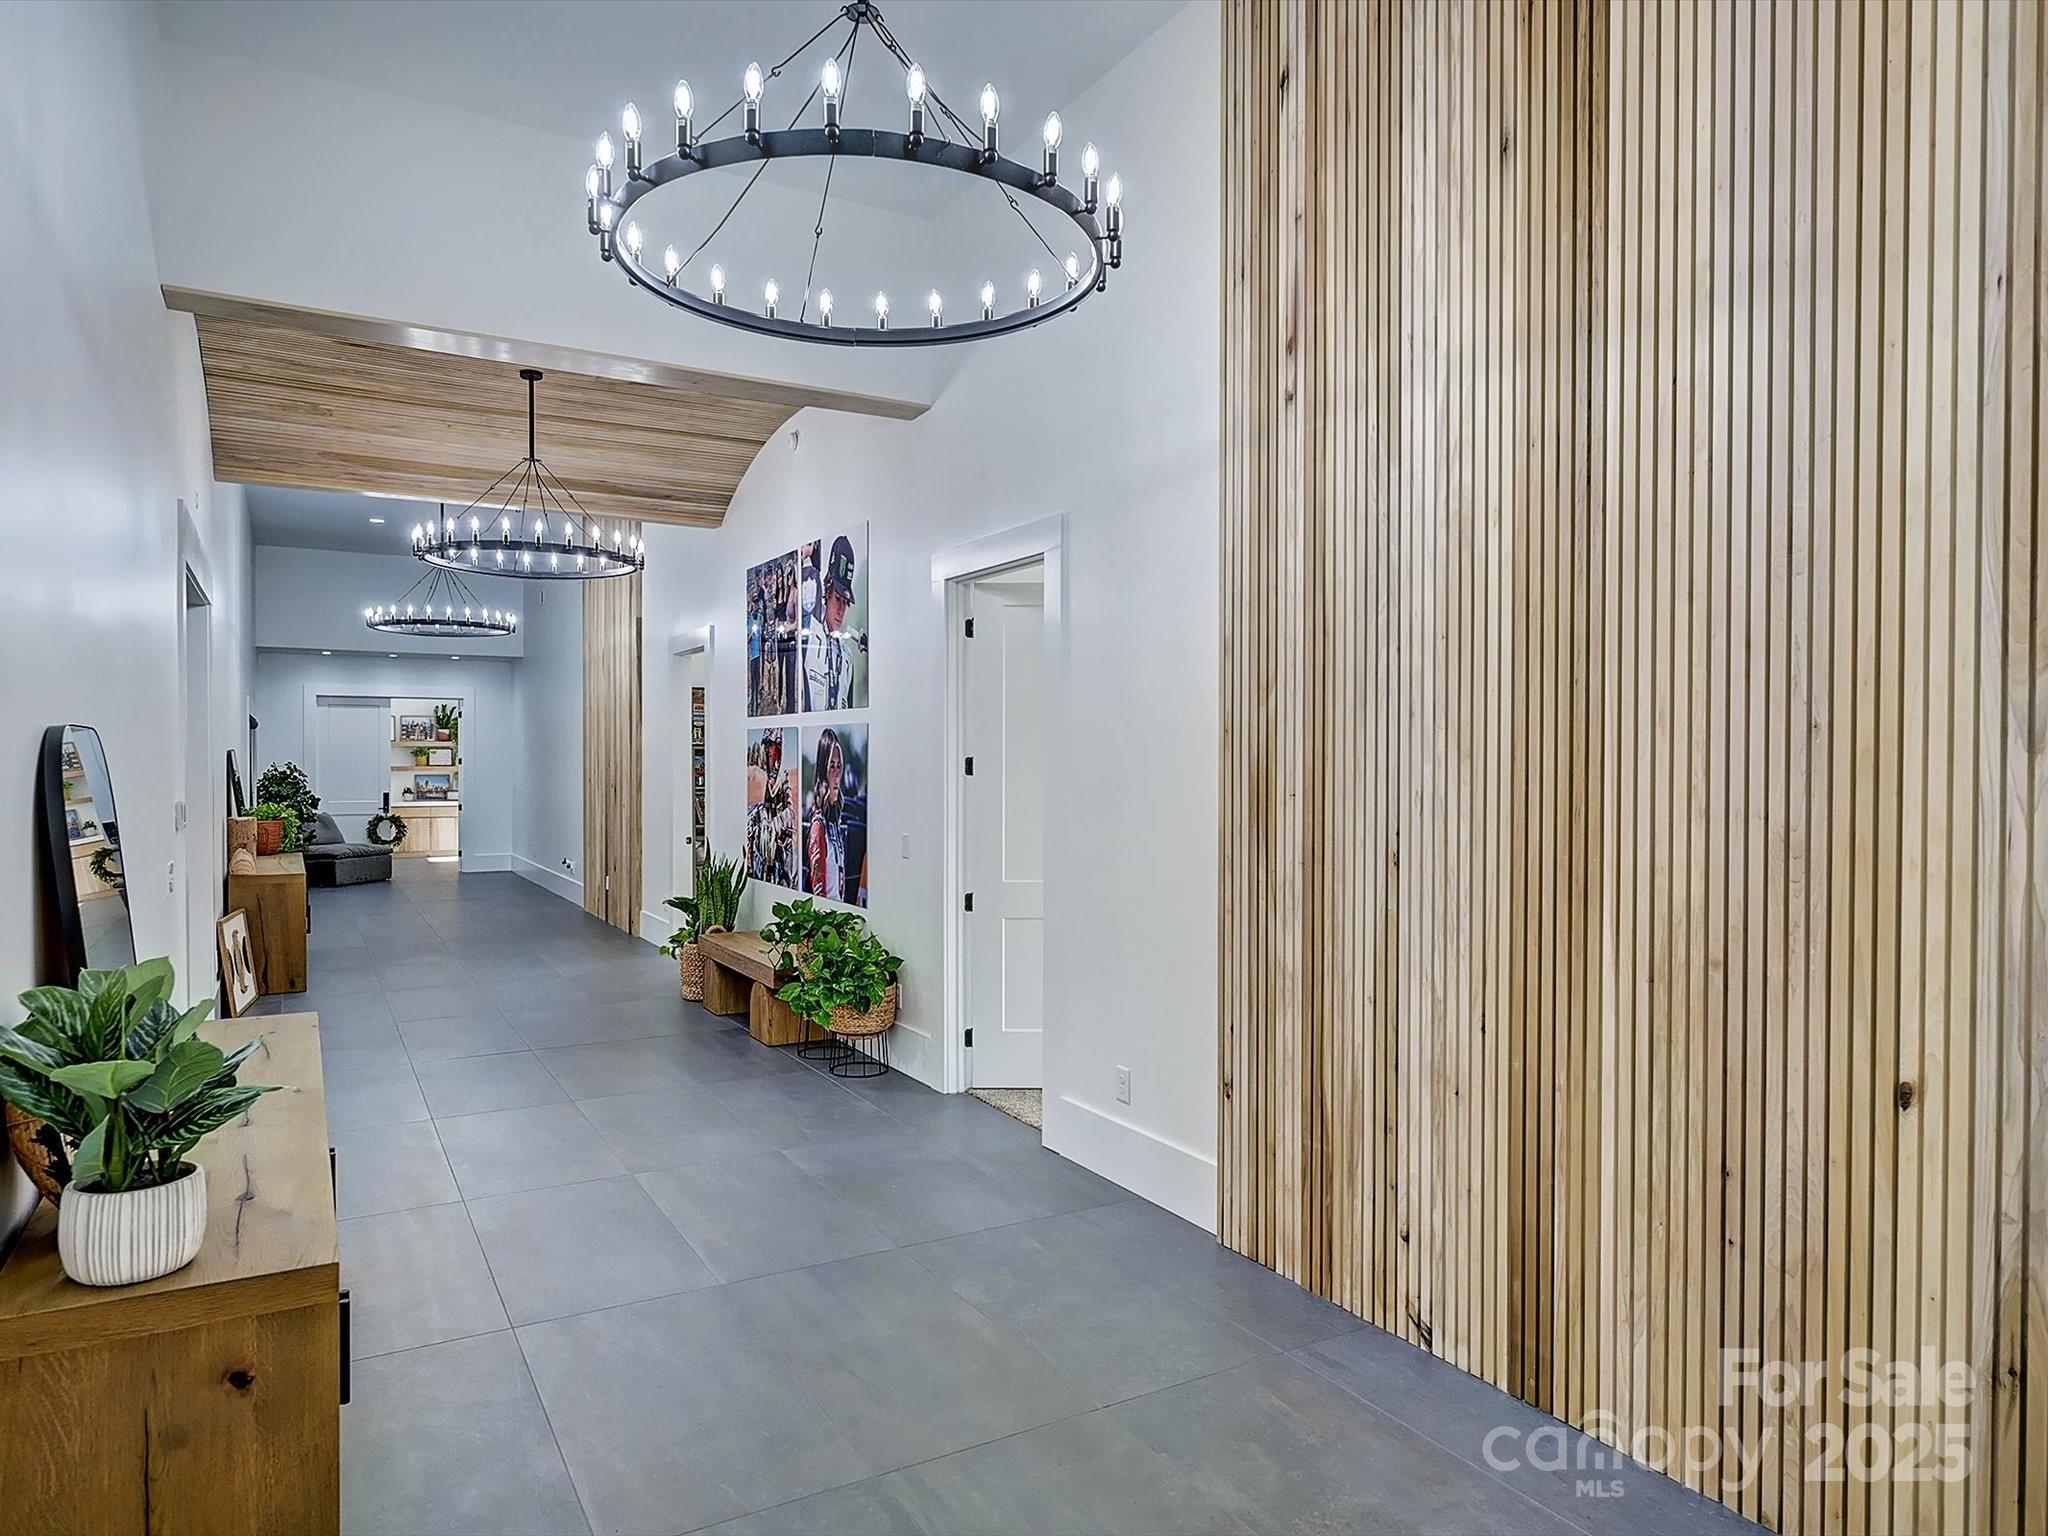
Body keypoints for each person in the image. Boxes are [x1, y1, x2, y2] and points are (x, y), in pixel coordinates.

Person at [801, 534, 867, 711]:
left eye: (845, 603)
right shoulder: (810, 634)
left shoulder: (847, 661)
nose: (841, 610)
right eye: (838, 599)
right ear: (827, 592)